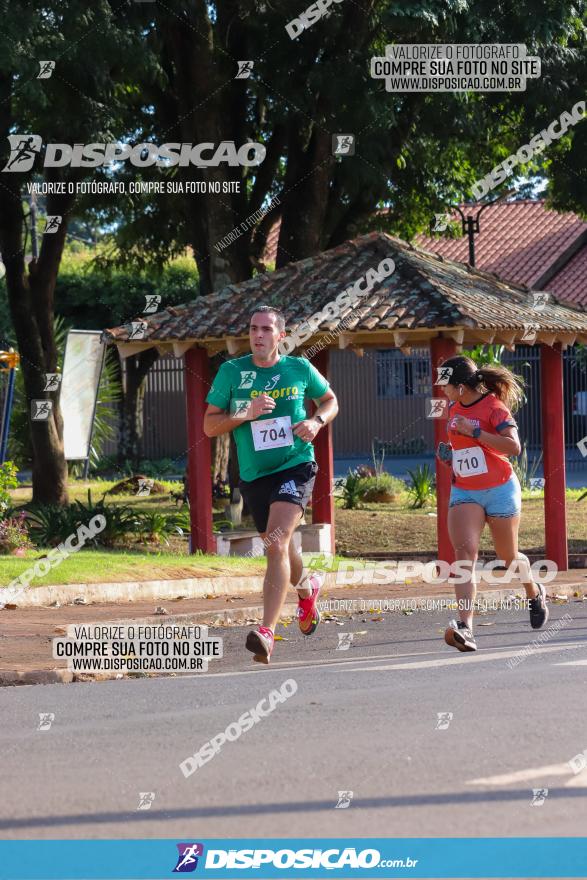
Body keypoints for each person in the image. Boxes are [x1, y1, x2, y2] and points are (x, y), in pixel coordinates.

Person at [203, 305, 339, 663]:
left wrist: (317, 421)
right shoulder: (232, 372)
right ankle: (307, 587)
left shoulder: (298, 368)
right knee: (280, 544)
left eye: (266, 329)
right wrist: (243, 413)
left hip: (295, 465)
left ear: (281, 336)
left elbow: (330, 400)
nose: (258, 335)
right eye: (253, 329)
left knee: (275, 546)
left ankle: (266, 631)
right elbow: (209, 426)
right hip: (253, 475)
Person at [436, 356, 548, 652]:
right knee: (464, 555)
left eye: (445, 386)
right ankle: (466, 627)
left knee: (508, 558)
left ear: (461, 387)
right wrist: (450, 456)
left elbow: (513, 447)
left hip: (499, 489)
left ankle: (534, 593)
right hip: (466, 492)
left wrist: (474, 432)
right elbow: (466, 452)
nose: (442, 391)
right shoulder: (453, 407)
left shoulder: (494, 408)